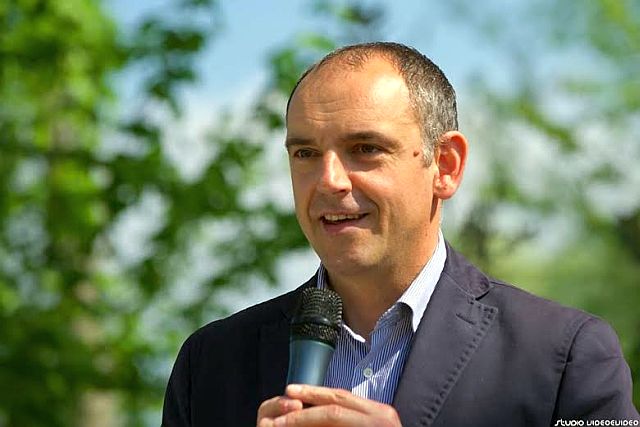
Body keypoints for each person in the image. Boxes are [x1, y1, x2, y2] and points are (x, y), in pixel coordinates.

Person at [162, 42, 639, 427]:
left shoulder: (565, 355)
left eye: (365, 148)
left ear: (445, 166)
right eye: (305, 153)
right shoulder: (211, 364)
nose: (329, 180)